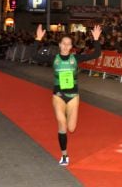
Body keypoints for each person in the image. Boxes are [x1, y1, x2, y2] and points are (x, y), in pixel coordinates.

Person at [33, 24, 102, 166]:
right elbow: (34, 56)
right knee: (62, 124)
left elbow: (96, 54)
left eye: (68, 44)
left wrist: (96, 40)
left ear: (71, 46)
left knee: (71, 128)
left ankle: (65, 139)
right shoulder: (54, 58)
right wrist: (38, 39)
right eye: (63, 44)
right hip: (58, 95)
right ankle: (64, 155)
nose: (65, 46)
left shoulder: (75, 59)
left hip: (73, 97)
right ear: (59, 45)